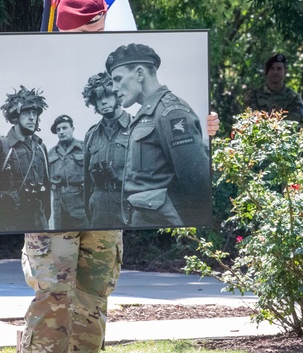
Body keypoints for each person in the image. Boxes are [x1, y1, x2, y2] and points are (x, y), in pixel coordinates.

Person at [0, 0, 220, 353]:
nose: (103, 29)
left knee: (92, 301)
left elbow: (163, 150)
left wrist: (204, 126)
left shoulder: (133, 110)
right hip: (58, 220)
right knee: (52, 299)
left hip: (104, 219)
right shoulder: (52, 63)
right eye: (97, 24)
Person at [107, 43, 213, 228]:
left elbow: (197, 184)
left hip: (167, 232)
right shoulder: (146, 114)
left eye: (117, 79)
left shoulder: (171, 113)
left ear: (140, 74)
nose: (114, 88)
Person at [0, 86, 51, 233]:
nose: (32, 117)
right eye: (26, 113)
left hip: (39, 221)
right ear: (15, 117)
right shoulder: (1, 147)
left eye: (35, 113)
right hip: (11, 222)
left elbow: (47, 187)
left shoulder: (41, 148)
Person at [81, 72, 130, 228]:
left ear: (117, 96)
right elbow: (86, 180)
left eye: (107, 96)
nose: (103, 102)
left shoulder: (137, 128)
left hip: (128, 205)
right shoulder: (91, 135)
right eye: (97, 99)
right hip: (99, 208)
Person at [48, 114, 87, 230]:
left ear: (72, 129)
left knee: (83, 233)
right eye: (58, 129)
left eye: (64, 128)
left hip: (79, 200)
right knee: (61, 234)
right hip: (58, 202)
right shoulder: (52, 153)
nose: (61, 132)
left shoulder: (84, 148)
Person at [244, 52, 303, 122]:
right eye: (272, 68)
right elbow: (251, 120)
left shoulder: (294, 99)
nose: (275, 72)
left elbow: (294, 122)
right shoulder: (253, 96)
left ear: (285, 72)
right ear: (266, 71)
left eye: (279, 69)